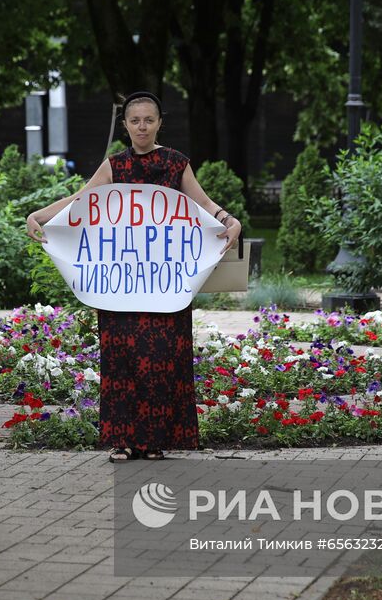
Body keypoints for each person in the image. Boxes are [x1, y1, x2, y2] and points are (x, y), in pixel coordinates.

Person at [25, 91, 242, 462]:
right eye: (135, 120)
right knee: (121, 361)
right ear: (125, 125)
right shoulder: (114, 166)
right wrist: (40, 215)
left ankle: (156, 440)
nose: (142, 127)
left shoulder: (177, 163)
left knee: (162, 361)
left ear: (159, 123)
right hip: (121, 286)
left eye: (148, 120)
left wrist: (228, 220)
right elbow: (81, 200)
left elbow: (203, 203)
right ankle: (122, 440)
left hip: (164, 283)